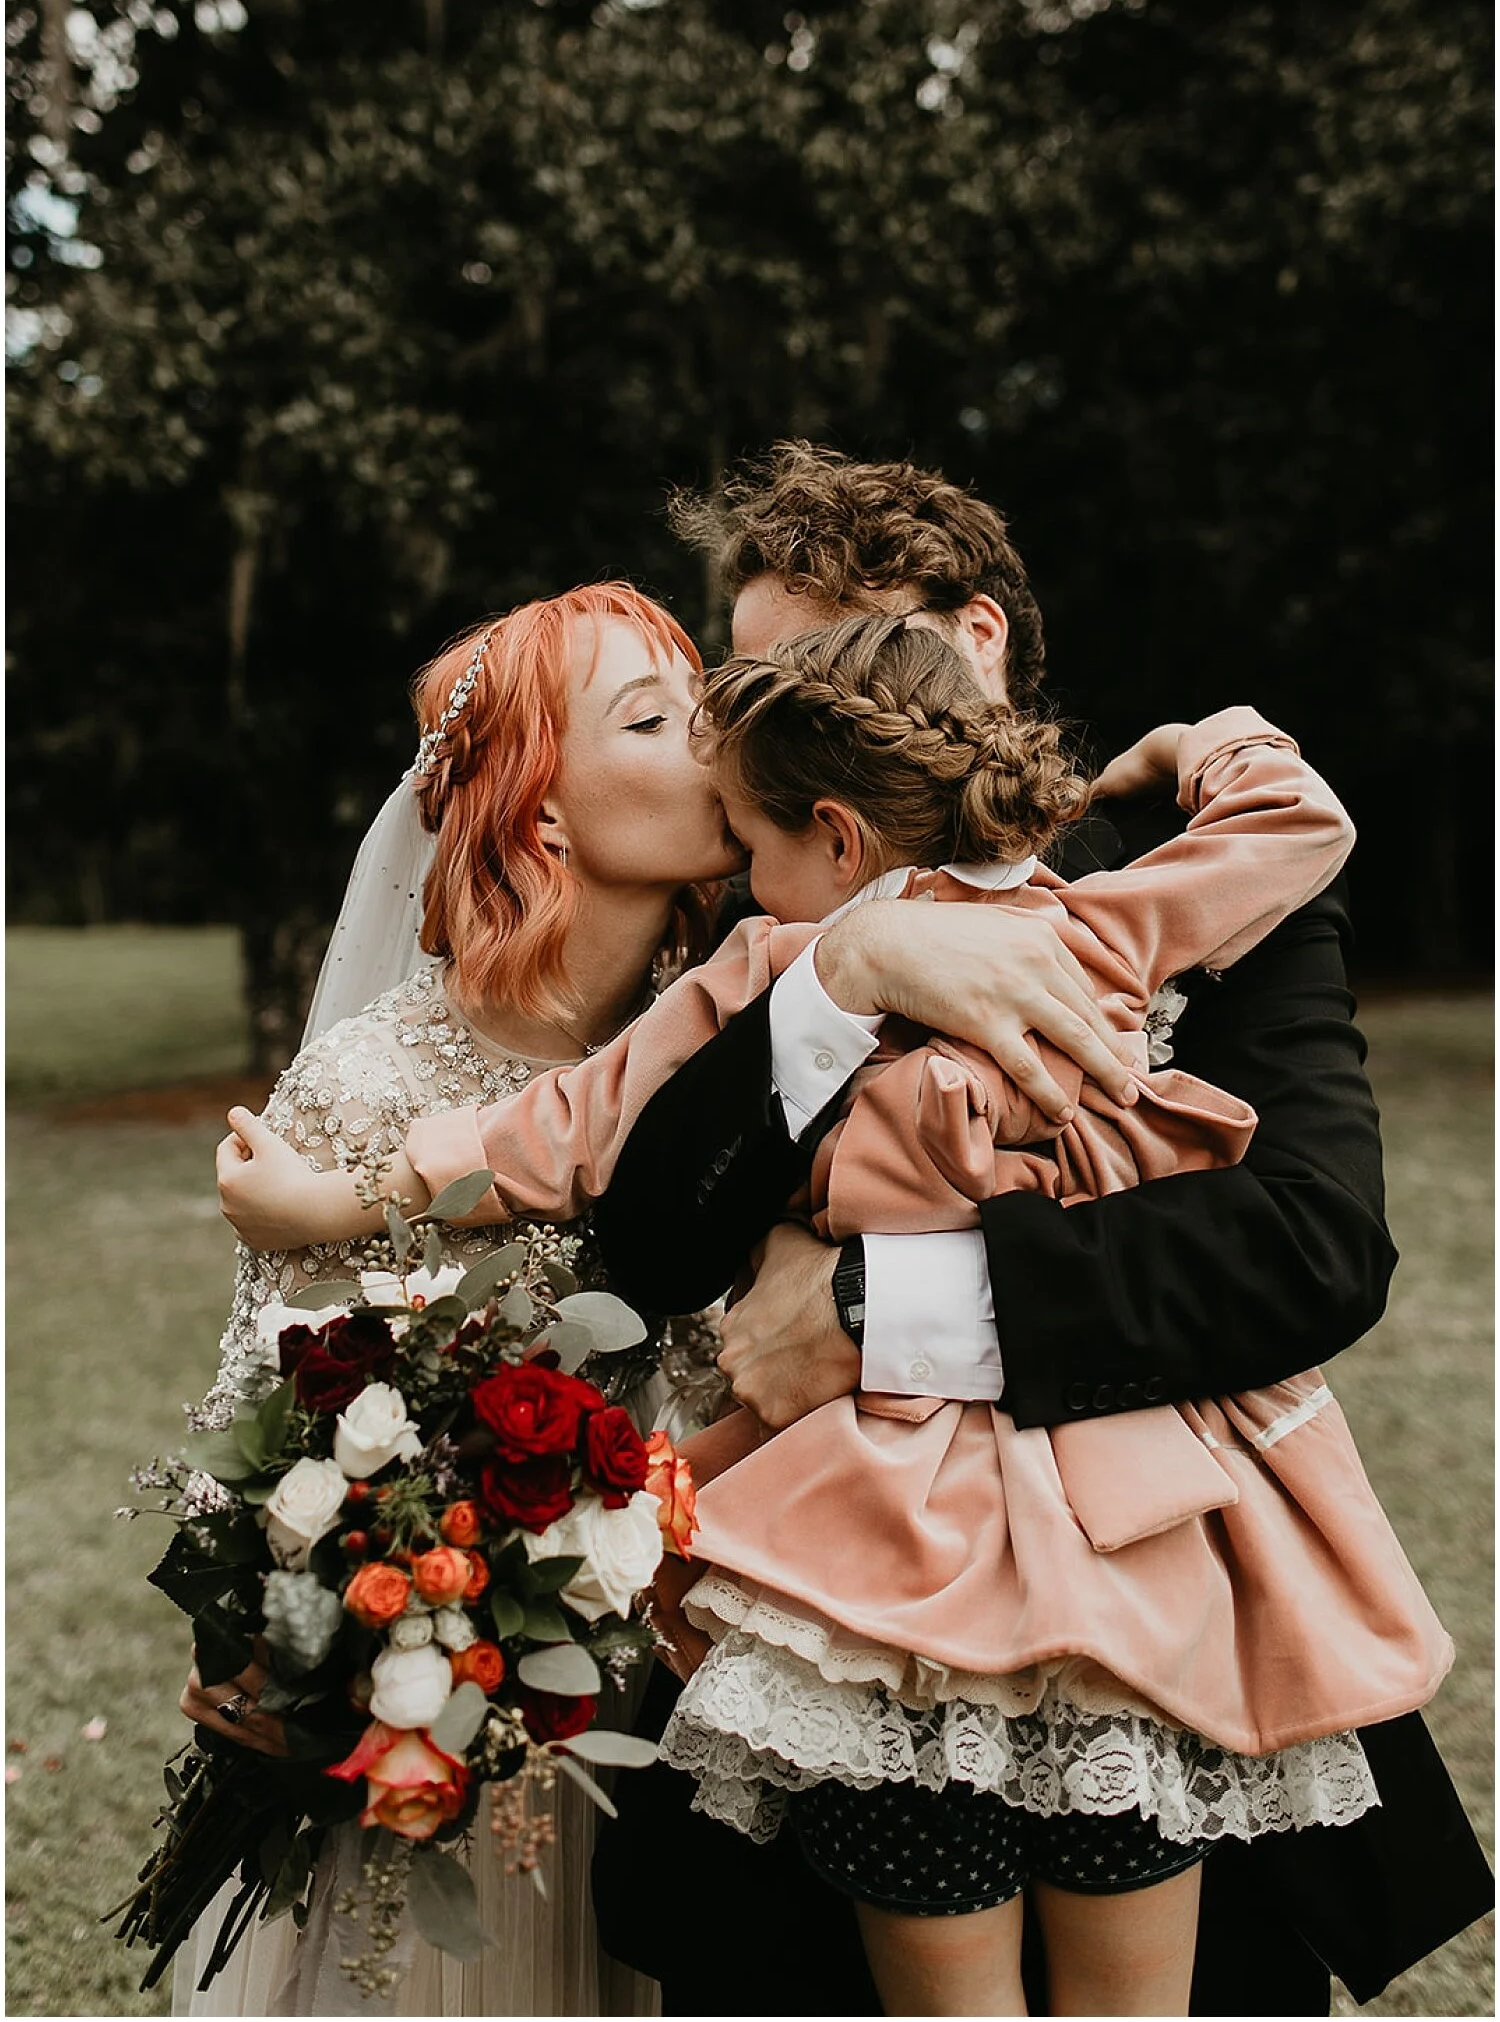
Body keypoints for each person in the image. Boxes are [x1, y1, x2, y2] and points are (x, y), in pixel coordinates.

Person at [217, 614, 1452, 2018]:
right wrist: (1216, 744)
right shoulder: (1044, 939)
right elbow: (1293, 815)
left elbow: (565, 1123)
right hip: (1060, 1524)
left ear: (839, 837)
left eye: (755, 842)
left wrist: (1174, 747)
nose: (742, 880)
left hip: (964, 1514)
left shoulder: (1040, 916)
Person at [579, 444, 1490, 2017]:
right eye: (743, 681)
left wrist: (875, 1304)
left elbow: (1306, 1248)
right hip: (827, 1723)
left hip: (1170, 1702)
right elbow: (643, 1238)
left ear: (977, 637)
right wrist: (848, 976)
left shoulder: (1183, 878)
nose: (757, 726)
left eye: (793, 672)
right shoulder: (781, 899)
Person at [176, 581, 747, 2017]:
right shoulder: (371, 1086)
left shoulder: (737, 1046)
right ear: (545, 815)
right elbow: (265, 1422)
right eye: (654, 715)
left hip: (694, 1688)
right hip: (451, 1692)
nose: (716, 732)